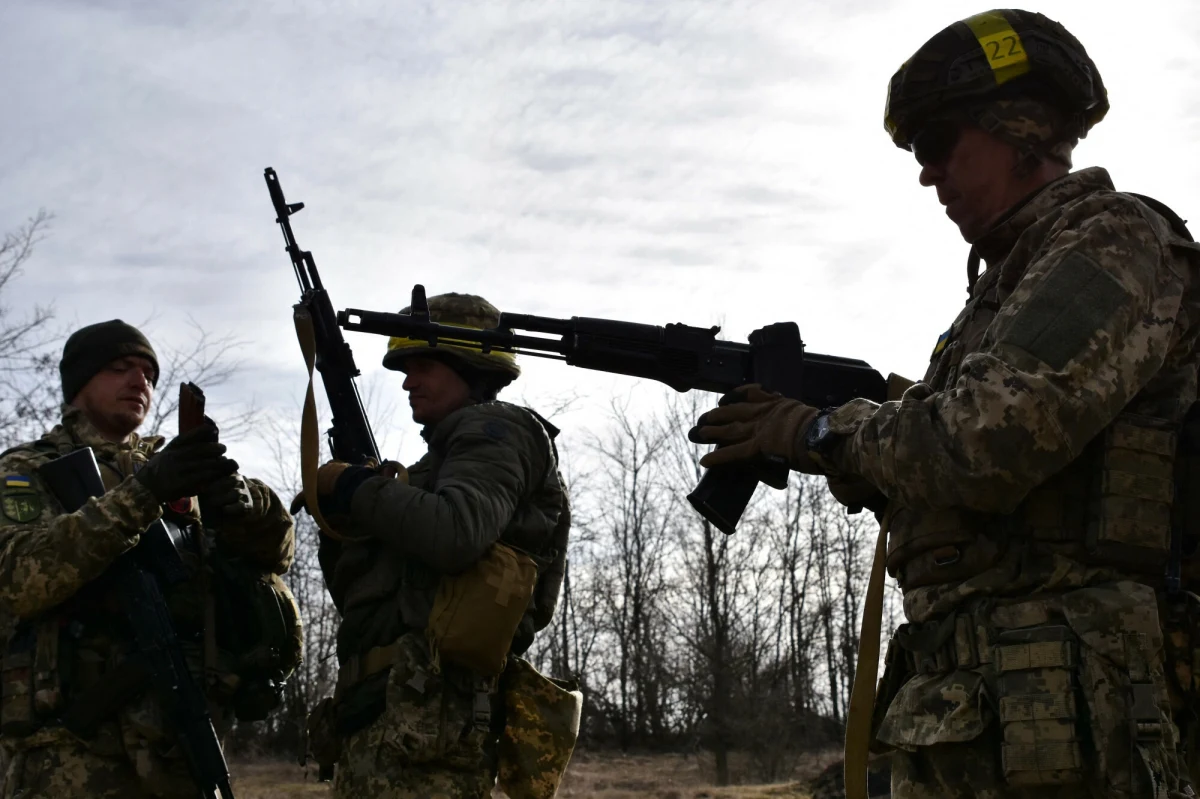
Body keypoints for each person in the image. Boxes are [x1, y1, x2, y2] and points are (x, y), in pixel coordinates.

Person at [690, 9, 1200, 798]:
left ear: (1020, 130)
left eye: (937, 146)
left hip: (1075, 714)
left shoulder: (1113, 240)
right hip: (984, 708)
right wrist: (861, 455)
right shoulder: (998, 297)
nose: (927, 175)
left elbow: (988, 438)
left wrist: (820, 428)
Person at [0, 319, 298, 798]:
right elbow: (21, 579)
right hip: (70, 759)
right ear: (78, 384)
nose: (140, 381)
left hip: (176, 749)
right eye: (120, 368)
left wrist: (245, 507)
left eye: (149, 374)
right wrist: (144, 494)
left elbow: (279, 557)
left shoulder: (179, 470)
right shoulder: (26, 470)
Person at [308, 293, 572, 798]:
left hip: (429, 726)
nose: (408, 381)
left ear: (467, 363)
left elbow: (456, 533)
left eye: (423, 365)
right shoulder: (433, 470)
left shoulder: (497, 428)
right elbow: (361, 603)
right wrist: (344, 517)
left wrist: (353, 487)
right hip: (389, 715)